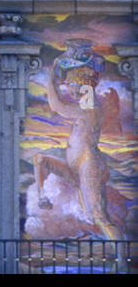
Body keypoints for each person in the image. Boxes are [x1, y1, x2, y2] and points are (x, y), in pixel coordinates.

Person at [33, 43, 123, 240]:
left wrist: (53, 78)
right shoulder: (83, 112)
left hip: (88, 165)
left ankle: (122, 264)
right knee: (40, 159)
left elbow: (56, 105)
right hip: (76, 168)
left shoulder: (90, 111)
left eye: (75, 88)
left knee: (98, 215)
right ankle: (42, 198)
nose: (72, 92)